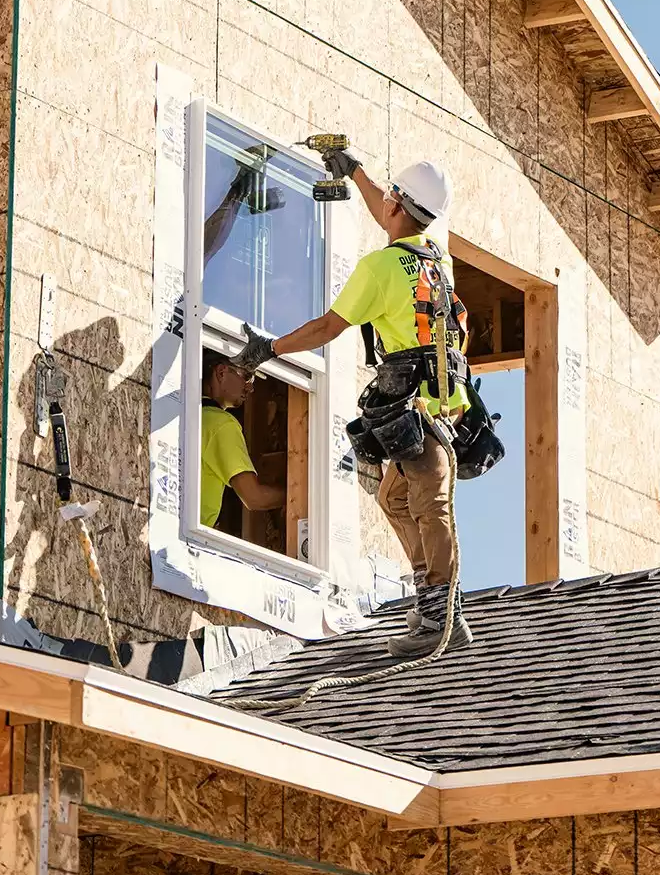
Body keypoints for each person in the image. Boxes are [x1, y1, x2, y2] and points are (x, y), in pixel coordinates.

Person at [243, 150, 472, 658]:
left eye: (387, 199)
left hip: (419, 411)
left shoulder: (379, 269)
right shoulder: (437, 260)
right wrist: (358, 176)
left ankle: (439, 616)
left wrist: (269, 348)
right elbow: (392, 216)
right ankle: (435, 603)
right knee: (394, 498)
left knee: (430, 504)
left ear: (396, 205)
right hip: (442, 406)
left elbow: (328, 328)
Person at [200, 352, 286, 535]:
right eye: (247, 376)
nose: (251, 387)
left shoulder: (192, 416)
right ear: (222, 372)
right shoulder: (221, 424)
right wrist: (300, 494)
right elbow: (254, 498)